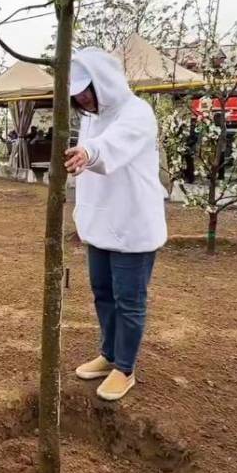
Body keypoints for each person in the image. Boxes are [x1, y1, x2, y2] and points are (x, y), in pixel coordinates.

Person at [65, 47, 166, 402]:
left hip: (132, 225)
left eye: (86, 94)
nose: (85, 103)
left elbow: (113, 145)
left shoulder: (136, 112)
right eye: (78, 99)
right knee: (103, 294)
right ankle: (109, 354)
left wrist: (89, 153)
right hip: (101, 225)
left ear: (103, 82)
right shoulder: (93, 117)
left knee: (129, 300)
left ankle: (125, 367)